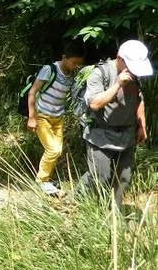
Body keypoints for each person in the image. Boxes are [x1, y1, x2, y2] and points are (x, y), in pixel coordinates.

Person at [77, 40, 152, 207]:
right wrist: (118, 84)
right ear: (120, 58)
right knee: (100, 177)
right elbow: (95, 104)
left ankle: (114, 213)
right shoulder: (100, 73)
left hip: (126, 136)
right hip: (100, 136)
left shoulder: (135, 76)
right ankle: (78, 201)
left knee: (124, 178)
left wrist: (142, 126)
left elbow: (139, 99)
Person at [26, 41, 85, 195]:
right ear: (64, 58)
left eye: (79, 63)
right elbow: (32, 92)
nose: (76, 66)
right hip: (42, 116)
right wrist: (32, 117)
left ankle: (46, 180)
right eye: (74, 62)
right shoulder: (49, 70)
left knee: (56, 151)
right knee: (53, 150)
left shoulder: (72, 75)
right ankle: (41, 181)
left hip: (58, 118)